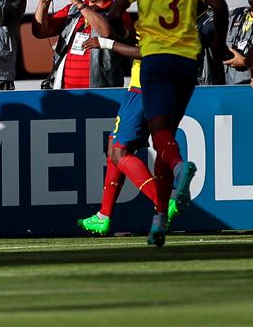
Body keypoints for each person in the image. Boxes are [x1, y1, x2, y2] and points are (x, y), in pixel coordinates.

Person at [107, 0, 229, 247]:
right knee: (167, 136)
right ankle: (159, 221)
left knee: (158, 130)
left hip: (156, 60)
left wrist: (122, 30)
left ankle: (179, 168)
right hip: (187, 61)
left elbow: (114, 12)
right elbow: (219, 5)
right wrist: (218, 44)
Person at [76, 37, 180, 235]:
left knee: (119, 152)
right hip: (151, 90)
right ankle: (103, 216)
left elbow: (146, 52)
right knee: (114, 147)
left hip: (143, 90)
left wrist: (106, 44)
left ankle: (163, 202)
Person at [31, 0, 127, 89]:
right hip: (65, 92)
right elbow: (40, 32)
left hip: (101, 93)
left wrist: (79, 3)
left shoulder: (118, 13)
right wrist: (43, 4)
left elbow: (106, 33)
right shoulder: (72, 10)